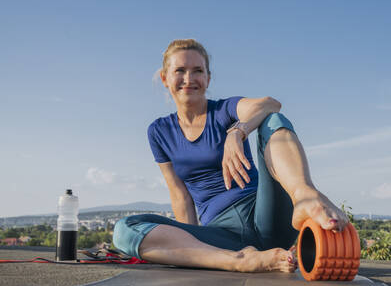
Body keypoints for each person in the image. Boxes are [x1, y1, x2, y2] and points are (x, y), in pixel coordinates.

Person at [113, 39, 349, 273]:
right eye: (180, 71)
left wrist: (237, 131)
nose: (189, 78)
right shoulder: (159, 131)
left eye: (197, 71)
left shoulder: (224, 110)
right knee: (125, 229)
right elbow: (180, 196)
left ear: (208, 78)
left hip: (266, 215)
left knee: (272, 120)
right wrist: (190, 246)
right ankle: (239, 261)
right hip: (221, 236)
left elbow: (271, 104)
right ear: (165, 78)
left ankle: (305, 197)